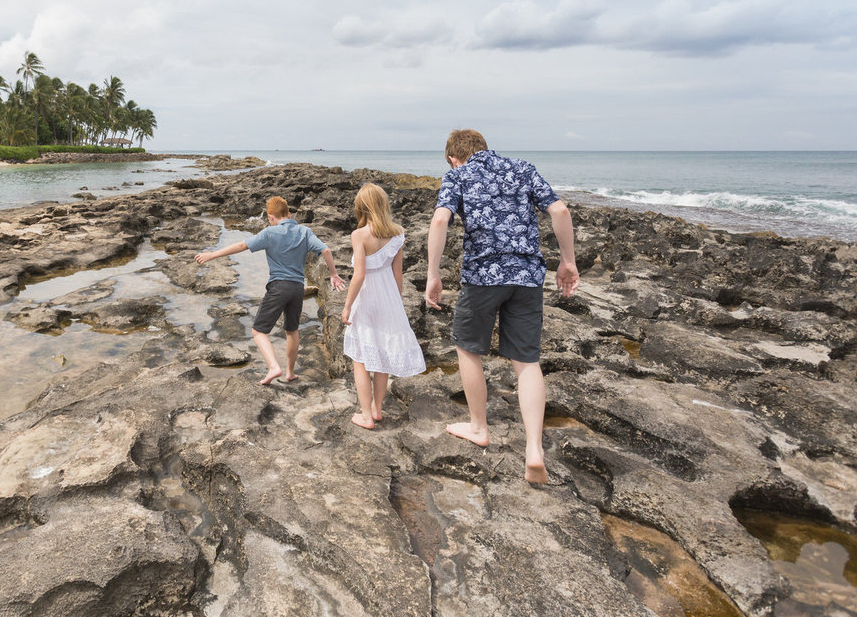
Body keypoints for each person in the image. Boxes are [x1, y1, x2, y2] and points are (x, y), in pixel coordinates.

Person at [425, 129, 579, 485]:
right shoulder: (522, 168)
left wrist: (434, 274)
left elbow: (439, 220)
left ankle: (479, 427)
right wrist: (567, 261)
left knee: (467, 347)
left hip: (482, 276)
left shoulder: (458, 175)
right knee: (526, 361)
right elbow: (560, 209)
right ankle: (534, 450)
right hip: (527, 277)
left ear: (453, 157)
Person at [195, 196, 345, 385]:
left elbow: (242, 245)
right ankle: (290, 372)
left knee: (258, 331)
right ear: (289, 214)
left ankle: (274, 366)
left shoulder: (269, 232)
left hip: (278, 287)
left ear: (270, 217)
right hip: (298, 288)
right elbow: (326, 251)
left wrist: (211, 255)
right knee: (292, 330)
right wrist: (333, 274)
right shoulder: (304, 231)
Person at [342, 183, 426, 429]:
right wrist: (395, 303)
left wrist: (347, 306)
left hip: (366, 298)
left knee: (360, 358)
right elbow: (397, 275)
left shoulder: (359, 235)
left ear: (363, 207)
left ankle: (366, 415)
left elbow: (358, 276)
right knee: (383, 355)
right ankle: (378, 409)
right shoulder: (398, 233)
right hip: (389, 297)